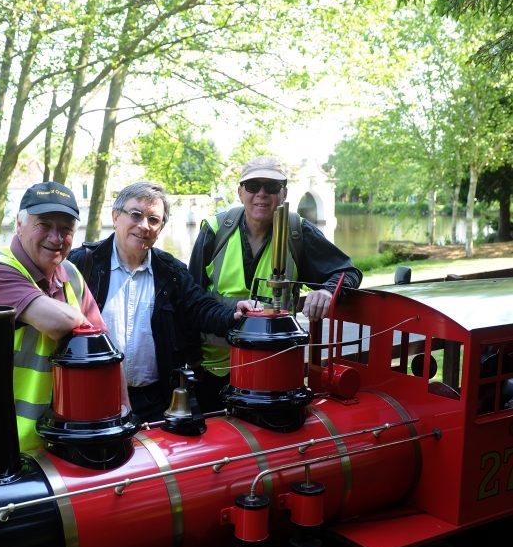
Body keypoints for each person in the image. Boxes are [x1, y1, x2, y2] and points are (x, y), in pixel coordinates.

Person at [0, 181, 105, 458]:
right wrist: (80, 320)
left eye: (66, 229)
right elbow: (55, 323)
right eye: (44, 224)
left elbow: (105, 344)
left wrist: (123, 411)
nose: (56, 237)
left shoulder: (71, 274)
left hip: (41, 446)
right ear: (19, 223)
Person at [69, 181, 255, 422]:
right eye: (136, 215)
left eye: (154, 220)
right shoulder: (82, 265)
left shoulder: (171, 271)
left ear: (160, 228)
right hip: (90, 395)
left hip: (154, 401)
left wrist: (233, 314)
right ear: (116, 216)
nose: (144, 226)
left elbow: (200, 307)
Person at [188, 155, 362, 411]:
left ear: (283, 193)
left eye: (271, 187)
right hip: (214, 371)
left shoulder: (297, 232)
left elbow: (348, 273)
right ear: (240, 192)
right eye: (252, 186)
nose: (261, 194)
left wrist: (326, 291)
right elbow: (190, 299)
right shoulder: (215, 231)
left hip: (274, 371)